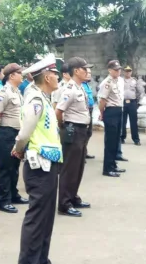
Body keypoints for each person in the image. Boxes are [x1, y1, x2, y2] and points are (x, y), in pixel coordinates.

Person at [13, 56, 62, 264]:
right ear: (48, 77)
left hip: (49, 164)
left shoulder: (44, 98)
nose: (58, 78)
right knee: (37, 219)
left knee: (46, 217)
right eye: (56, 74)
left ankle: (41, 259)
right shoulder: (36, 101)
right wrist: (18, 150)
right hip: (39, 167)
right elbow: (24, 134)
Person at [55, 57, 93, 217]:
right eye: (85, 69)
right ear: (76, 71)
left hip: (82, 131)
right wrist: (63, 126)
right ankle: (64, 203)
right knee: (69, 169)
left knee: (78, 168)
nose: (87, 71)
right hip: (73, 131)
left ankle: (73, 197)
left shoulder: (80, 87)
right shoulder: (69, 89)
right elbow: (58, 111)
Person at [0, 63, 29, 214]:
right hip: (6, 132)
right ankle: (4, 200)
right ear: (12, 75)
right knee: (5, 168)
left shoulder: (17, 92)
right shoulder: (3, 93)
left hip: (16, 133)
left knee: (14, 166)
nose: (22, 75)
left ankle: (14, 195)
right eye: (19, 73)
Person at [97, 60, 125, 178]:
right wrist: (101, 113)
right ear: (109, 70)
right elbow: (102, 100)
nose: (118, 71)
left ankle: (113, 164)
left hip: (118, 110)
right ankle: (107, 168)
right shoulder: (106, 83)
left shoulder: (119, 81)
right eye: (115, 69)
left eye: (119, 69)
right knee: (110, 141)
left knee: (116, 140)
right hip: (110, 112)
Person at [122, 66, 143, 146]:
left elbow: (139, 91)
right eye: (126, 71)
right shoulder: (120, 81)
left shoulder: (135, 81)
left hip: (132, 103)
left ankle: (136, 139)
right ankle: (122, 137)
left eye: (129, 71)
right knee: (123, 121)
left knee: (133, 122)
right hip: (123, 102)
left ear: (131, 72)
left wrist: (136, 100)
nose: (128, 72)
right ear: (124, 72)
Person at [82, 67, 95, 159]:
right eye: (88, 73)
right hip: (84, 111)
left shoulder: (87, 85)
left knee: (89, 132)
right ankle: (81, 154)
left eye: (90, 73)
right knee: (84, 133)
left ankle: (84, 151)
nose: (89, 75)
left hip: (90, 110)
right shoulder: (80, 85)